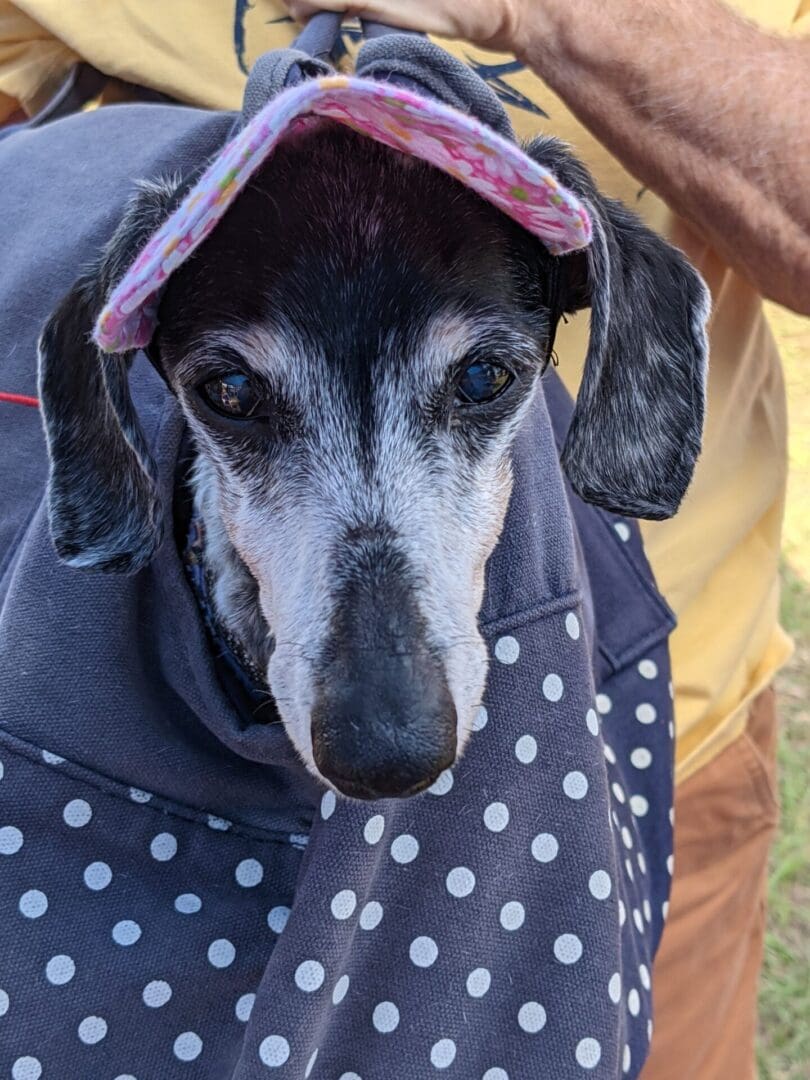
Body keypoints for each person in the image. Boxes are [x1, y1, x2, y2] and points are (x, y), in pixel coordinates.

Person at [0, 2, 807, 1076]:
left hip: (632, 744)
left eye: (480, 381)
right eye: (236, 392)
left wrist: (548, 14)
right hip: (109, 759)